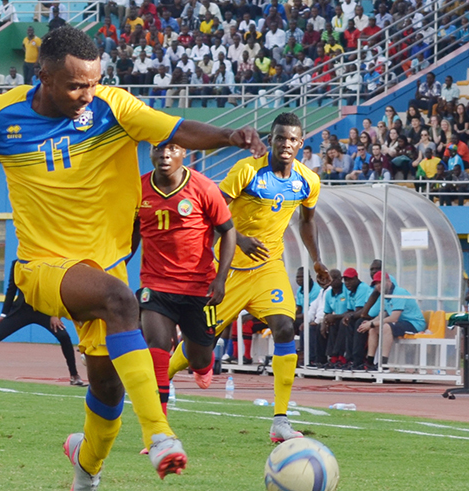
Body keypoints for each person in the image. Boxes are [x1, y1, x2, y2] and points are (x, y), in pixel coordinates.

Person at [0, 25, 265, 488]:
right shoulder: (0, 114)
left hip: (101, 272)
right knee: (121, 299)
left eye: (93, 82)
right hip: (42, 267)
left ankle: (85, 469)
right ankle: (160, 435)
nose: (87, 94)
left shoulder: (113, 107)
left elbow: (178, 129)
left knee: (107, 390)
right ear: (44, 76)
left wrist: (229, 135)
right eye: (76, 85)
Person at [169, 112, 328, 443]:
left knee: (285, 327)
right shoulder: (246, 171)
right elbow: (214, 213)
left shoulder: (308, 181)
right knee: (201, 347)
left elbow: (307, 221)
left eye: (292, 139)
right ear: (271, 140)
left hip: (268, 268)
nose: (286, 144)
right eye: (280, 137)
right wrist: (238, 239)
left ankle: (280, 421)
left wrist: (317, 261)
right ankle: (159, 381)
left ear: (301, 144)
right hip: (226, 268)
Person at [136, 142, 236, 418]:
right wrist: (117, 269)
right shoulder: (138, 188)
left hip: (198, 288)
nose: (164, 153)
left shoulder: (204, 188)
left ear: (184, 153)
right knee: (157, 347)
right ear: (151, 153)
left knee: (199, 357)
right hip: (155, 285)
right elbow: (132, 233)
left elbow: (228, 231)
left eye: (172, 148)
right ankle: (159, 427)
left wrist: (221, 278)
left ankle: (204, 365)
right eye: (158, 148)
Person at [0, 260, 86, 386]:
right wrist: (3, 315)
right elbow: (11, 289)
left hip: (44, 309)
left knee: (64, 337)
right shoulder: (17, 264)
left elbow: (53, 289)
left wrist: (55, 314)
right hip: (21, 310)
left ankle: (74, 376)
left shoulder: (45, 262)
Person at [357, 271, 425, 371]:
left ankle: (383, 364)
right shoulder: (384, 295)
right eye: (376, 284)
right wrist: (369, 324)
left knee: (386, 327)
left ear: (388, 281)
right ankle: (370, 362)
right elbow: (381, 315)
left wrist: (371, 323)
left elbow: (394, 318)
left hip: (414, 323)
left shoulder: (399, 293)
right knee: (373, 329)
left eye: (380, 282)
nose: (378, 286)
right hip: (401, 323)